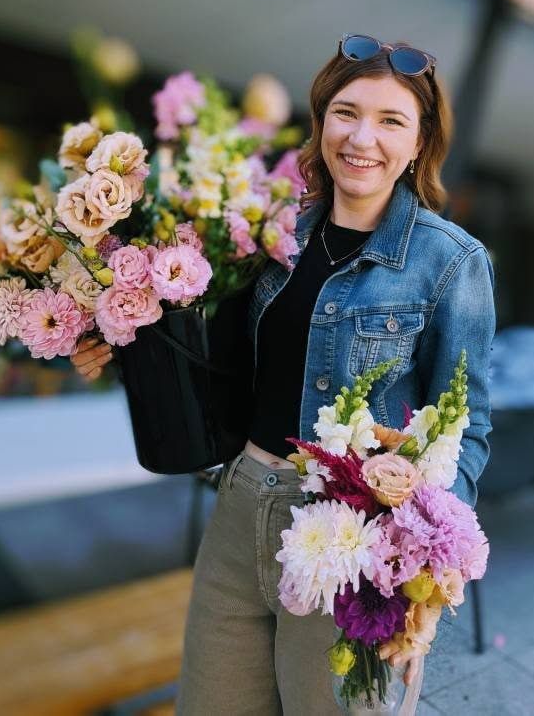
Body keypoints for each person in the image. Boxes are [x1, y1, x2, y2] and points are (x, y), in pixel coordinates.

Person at [72, 35, 495, 715]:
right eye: (345, 112)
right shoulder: (270, 233)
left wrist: (427, 576)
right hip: (241, 508)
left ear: (418, 144)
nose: (362, 137)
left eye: (391, 121)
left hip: (353, 546)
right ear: (321, 120)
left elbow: (467, 426)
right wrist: (115, 345)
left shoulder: (450, 262)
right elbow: (212, 362)